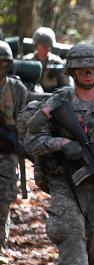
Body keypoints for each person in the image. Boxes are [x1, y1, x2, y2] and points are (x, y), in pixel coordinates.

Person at [25, 42, 94, 265]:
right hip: (64, 182)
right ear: (72, 72)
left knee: (92, 245)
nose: (87, 73)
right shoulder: (59, 101)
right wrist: (62, 143)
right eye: (81, 69)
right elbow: (32, 139)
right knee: (71, 239)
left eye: (92, 69)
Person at [0, 40, 29, 246]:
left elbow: (26, 120)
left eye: (4, 63)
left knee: (5, 198)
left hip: (8, 152)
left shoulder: (17, 88)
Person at [23, 27, 70, 92]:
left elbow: (66, 86)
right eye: (44, 46)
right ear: (36, 45)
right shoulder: (27, 61)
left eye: (49, 46)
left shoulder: (57, 62)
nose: (47, 48)